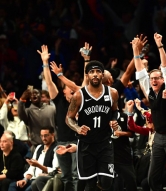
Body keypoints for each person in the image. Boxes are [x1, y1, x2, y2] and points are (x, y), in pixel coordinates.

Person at [133, 33, 166, 191]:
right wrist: (136, 51)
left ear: (163, 79)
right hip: (159, 138)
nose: (154, 80)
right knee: (152, 178)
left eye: (157, 78)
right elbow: (141, 71)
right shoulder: (149, 90)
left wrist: (160, 45)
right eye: (152, 78)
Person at [65, 60, 119, 191]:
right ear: (87, 76)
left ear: (102, 75)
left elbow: (115, 111)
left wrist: (113, 120)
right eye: (91, 72)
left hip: (105, 143)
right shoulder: (79, 95)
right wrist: (77, 128)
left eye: (98, 71)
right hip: (86, 146)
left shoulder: (112, 93)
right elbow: (68, 118)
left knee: (107, 181)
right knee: (90, 184)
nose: (95, 74)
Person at [38, 44, 79, 191]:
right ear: (64, 92)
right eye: (71, 90)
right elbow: (49, 82)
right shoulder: (59, 100)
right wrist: (45, 63)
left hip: (76, 142)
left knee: (75, 175)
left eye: (75, 90)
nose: (74, 92)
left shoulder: (81, 102)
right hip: (61, 140)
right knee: (66, 176)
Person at [8, 126, 58, 191]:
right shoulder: (39, 147)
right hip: (33, 178)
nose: (43, 138)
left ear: (52, 134)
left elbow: (55, 170)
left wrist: (38, 165)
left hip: (44, 179)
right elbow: (32, 167)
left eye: (46, 136)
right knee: (13, 185)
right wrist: (25, 179)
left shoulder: (57, 148)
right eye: (41, 136)